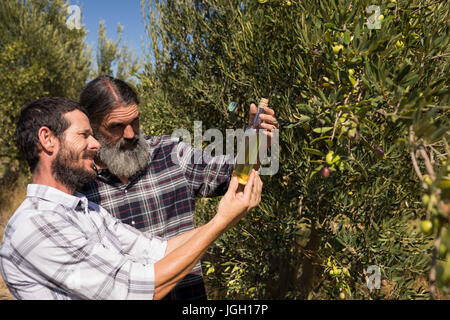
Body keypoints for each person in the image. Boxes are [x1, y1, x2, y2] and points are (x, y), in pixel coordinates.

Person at [0, 97, 262, 300]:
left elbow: (156, 251)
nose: (95, 144)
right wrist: (222, 222)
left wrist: (256, 143)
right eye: (84, 135)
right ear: (47, 139)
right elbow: (137, 290)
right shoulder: (37, 225)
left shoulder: (86, 211)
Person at [79, 76, 278, 300]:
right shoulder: (79, 188)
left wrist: (257, 144)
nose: (131, 134)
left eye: (134, 121)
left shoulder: (170, 154)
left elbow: (231, 175)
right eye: (116, 126)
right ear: (91, 128)